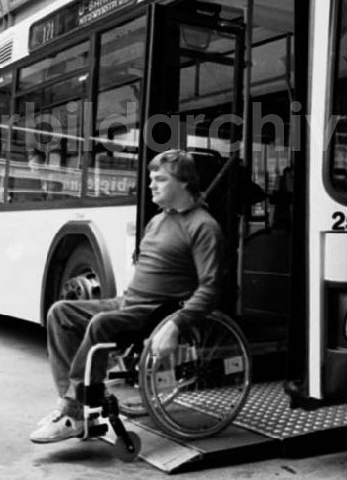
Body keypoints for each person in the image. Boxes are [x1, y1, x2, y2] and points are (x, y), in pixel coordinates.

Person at [28, 148, 226, 444]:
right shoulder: (157, 221)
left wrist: (176, 324)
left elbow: (211, 287)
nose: (151, 185)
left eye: (160, 179)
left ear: (183, 182)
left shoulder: (204, 227)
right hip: (130, 302)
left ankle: (73, 409)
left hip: (158, 311)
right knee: (60, 312)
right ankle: (75, 406)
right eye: (151, 179)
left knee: (101, 323)